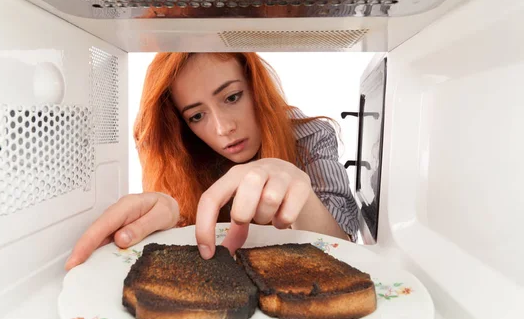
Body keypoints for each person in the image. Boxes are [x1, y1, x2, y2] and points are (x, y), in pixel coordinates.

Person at [65, 52, 358, 270]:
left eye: (231, 97)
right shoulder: (183, 154)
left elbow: (348, 248)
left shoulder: (309, 135)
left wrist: (300, 191)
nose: (222, 128)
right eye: (196, 116)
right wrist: (171, 222)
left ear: (257, 88)